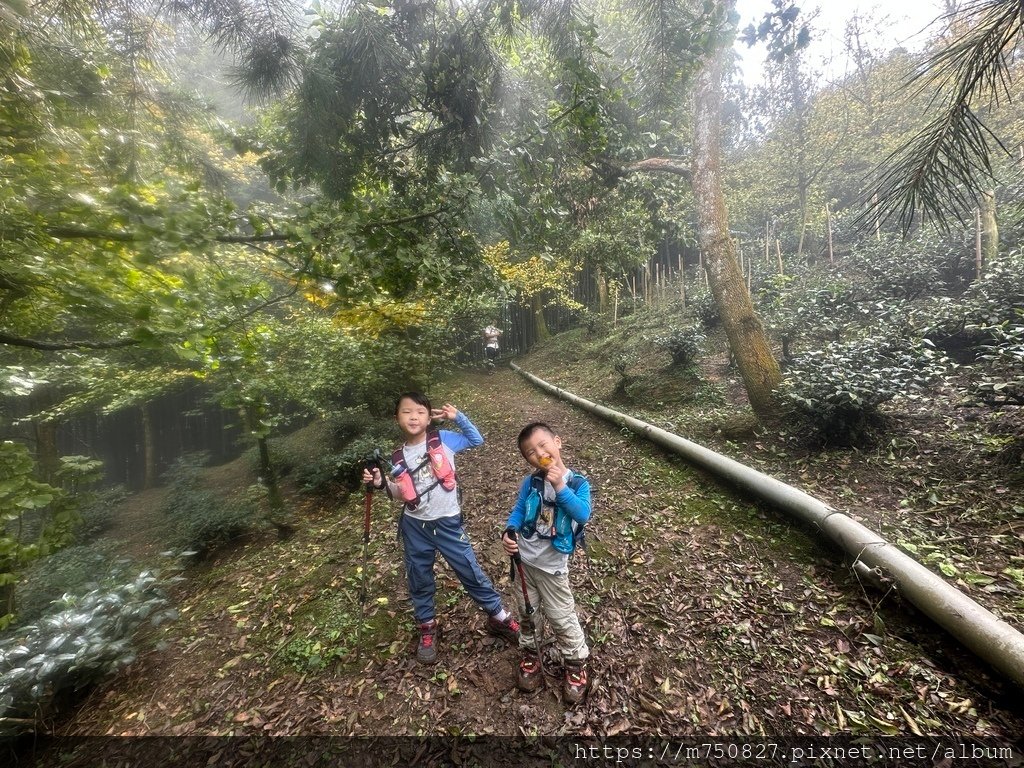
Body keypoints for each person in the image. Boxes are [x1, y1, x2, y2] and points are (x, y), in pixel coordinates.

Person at [362, 392, 519, 664]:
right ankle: (427, 627)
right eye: (407, 412)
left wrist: (457, 418)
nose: (414, 417)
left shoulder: (442, 439)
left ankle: (498, 616)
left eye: (420, 412)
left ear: (428, 416)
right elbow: (401, 492)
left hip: (447, 522)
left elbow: (476, 439)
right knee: (418, 576)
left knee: (469, 569)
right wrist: (379, 483)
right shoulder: (397, 456)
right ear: (396, 417)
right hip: (415, 526)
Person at [501, 421, 591, 704]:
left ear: (558, 442)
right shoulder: (531, 482)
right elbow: (518, 509)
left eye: (543, 445)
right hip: (524, 563)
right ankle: (531, 655)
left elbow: (583, 514)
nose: (538, 453)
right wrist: (509, 530)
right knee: (528, 613)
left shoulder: (577, 483)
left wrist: (560, 487)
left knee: (562, 617)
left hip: (553, 568)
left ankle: (576, 665)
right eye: (530, 452)